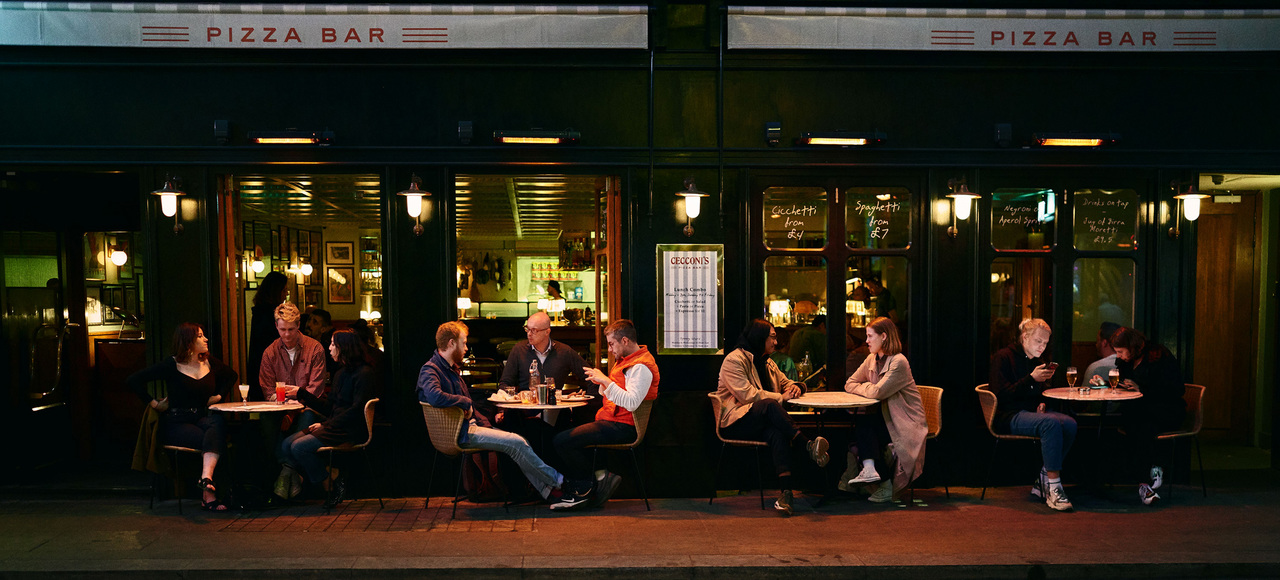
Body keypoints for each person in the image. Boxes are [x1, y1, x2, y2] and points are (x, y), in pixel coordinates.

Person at [418, 321, 565, 501]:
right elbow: (434, 397)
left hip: (469, 428)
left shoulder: (451, 370)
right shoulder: (430, 370)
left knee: (519, 442)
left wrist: (487, 424)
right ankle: (561, 482)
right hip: (461, 433)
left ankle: (549, 492)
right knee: (517, 442)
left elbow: (470, 408)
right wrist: (464, 401)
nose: (466, 348)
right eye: (463, 343)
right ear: (451, 343)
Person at [713, 319, 830, 516]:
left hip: (759, 420)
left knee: (777, 432)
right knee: (770, 405)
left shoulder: (766, 361)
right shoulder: (734, 360)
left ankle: (786, 494)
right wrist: (780, 397)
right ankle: (807, 445)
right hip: (735, 422)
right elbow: (747, 395)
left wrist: (798, 386)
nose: (776, 342)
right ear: (760, 337)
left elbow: (787, 382)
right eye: (772, 337)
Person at [551, 319, 660, 511]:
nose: (610, 350)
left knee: (562, 440)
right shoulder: (627, 361)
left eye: (611, 344)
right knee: (566, 430)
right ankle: (597, 478)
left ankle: (585, 488)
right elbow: (615, 392)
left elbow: (632, 402)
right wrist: (599, 384)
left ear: (625, 341)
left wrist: (605, 381)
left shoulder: (641, 366)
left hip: (625, 427)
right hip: (612, 420)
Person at [128, 323, 237, 511]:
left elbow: (231, 376)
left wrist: (219, 396)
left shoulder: (209, 362)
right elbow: (133, 380)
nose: (206, 339)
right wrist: (154, 403)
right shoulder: (171, 365)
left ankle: (206, 480)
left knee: (217, 421)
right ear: (188, 342)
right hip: (176, 422)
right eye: (200, 336)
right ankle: (208, 493)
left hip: (201, 417)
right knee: (212, 438)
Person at [279, 329, 375, 509]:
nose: (329, 348)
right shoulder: (340, 373)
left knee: (299, 447)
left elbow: (356, 411)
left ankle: (328, 486)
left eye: (332, 344)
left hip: (350, 429)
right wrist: (301, 393)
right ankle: (332, 474)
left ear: (343, 347)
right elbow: (330, 407)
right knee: (286, 445)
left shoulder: (364, 374)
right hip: (334, 425)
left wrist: (325, 424)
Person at [990, 318, 1077, 512]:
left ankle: (1044, 479)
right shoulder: (1003, 357)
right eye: (1038, 341)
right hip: (1007, 415)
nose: (1042, 347)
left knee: (1070, 423)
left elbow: (1037, 395)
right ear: (1025, 337)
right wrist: (1030, 379)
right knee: (1051, 424)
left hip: (1030, 415)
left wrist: (1041, 403)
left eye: (1045, 343)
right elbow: (1000, 395)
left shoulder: (1038, 363)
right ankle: (1054, 489)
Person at [841, 317, 927, 503]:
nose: (866, 341)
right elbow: (850, 383)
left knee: (866, 426)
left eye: (870, 336)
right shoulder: (872, 359)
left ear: (884, 337)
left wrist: (869, 390)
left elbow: (878, 392)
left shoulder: (899, 362)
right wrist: (869, 390)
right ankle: (874, 474)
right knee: (863, 425)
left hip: (905, 421)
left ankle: (880, 480)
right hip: (886, 418)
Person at [1111, 327, 1186, 506]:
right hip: (1140, 409)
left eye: (1121, 352)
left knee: (1141, 426)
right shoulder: (1126, 361)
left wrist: (1142, 389)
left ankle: (1144, 482)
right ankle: (1148, 475)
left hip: (1167, 408)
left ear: (1132, 347)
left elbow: (1175, 390)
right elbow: (1122, 380)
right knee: (1129, 421)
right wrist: (1106, 383)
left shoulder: (1157, 355)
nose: (1119, 356)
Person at [259, 302, 328, 496]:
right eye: (282, 330)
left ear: (298, 326)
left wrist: (298, 401)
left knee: (306, 416)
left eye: (291, 329)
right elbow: (267, 389)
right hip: (280, 409)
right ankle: (292, 473)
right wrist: (282, 402)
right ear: (276, 327)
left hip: (308, 407)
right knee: (266, 422)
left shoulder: (315, 349)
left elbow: (315, 389)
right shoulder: (270, 352)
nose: (287, 335)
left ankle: (286, 472)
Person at [496, 312, 591, 435]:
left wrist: (587, 398)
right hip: (525, 409)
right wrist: (501, 409)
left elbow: (590, 375)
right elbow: (505, 382)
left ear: (547, 331)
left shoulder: (564, 351)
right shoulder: (519, 350)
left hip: (554, 408)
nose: (529, 334)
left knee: (564, 417)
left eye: (534, 330)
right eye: (527, 329)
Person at [246, 271, 288, 401]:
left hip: (259, 363)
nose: (286, 293)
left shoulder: (259, 311)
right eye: (284, 290)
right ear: (277, 291)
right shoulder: (270, 314)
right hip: (269, 364)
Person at [788, 314, 827, 387]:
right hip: (809, 373)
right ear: (821, 325)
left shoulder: (798, 332)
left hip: (793, 370)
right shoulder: (817, 335)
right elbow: (823, 358)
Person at [1083, 321, 1123, 385]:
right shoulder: (1130, 365)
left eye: (1097, 341)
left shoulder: (1095, 368)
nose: (1096, 344)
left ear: (1104, 343)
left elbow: (1084, 392)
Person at [306, 308, 337, 372]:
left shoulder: (327, 349)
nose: (309, 324)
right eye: (309, 320)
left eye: (315, 322)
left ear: (323, 329)